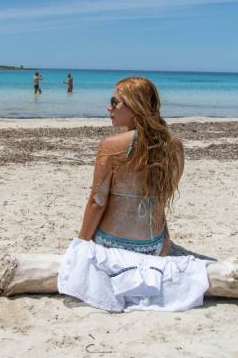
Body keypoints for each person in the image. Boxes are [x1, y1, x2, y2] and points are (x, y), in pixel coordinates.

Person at [77, 76, 184, 256]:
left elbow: (97, 202)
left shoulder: (110, 146)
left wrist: (80, 244)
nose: (109, 107)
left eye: (115, 102)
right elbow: (163, 198)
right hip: (155, 245)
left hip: (112, 243)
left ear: (135, 107)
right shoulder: (174, 146)